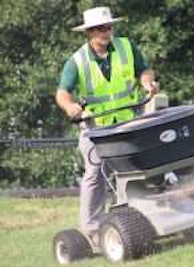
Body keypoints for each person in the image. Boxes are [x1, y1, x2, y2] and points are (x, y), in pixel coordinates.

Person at [55, 6, 159, 239]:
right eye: (102, 28)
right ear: (89, 32)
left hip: (128, 122)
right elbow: (62, 93)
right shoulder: (77, 61)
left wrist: (147, 83)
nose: (107, 31)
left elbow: (144, 71)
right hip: (96, 128)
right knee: (95, 172)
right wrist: (70, 107)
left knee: (143, 164)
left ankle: (144, 211)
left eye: (109, 27)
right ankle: (91, 229)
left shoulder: (127, 47)